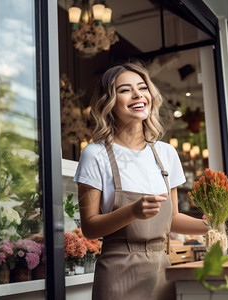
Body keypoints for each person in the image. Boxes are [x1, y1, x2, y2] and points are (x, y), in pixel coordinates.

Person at [73, 62, 207, 300]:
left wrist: (218, 225)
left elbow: (173, 218)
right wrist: (132, 211)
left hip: (162, 270)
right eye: (125, 90)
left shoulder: (166, 153)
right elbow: (90, 227)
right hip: (117, 272)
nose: (137, 95)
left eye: (143, 87)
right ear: (109, 102)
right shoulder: (95, 154)